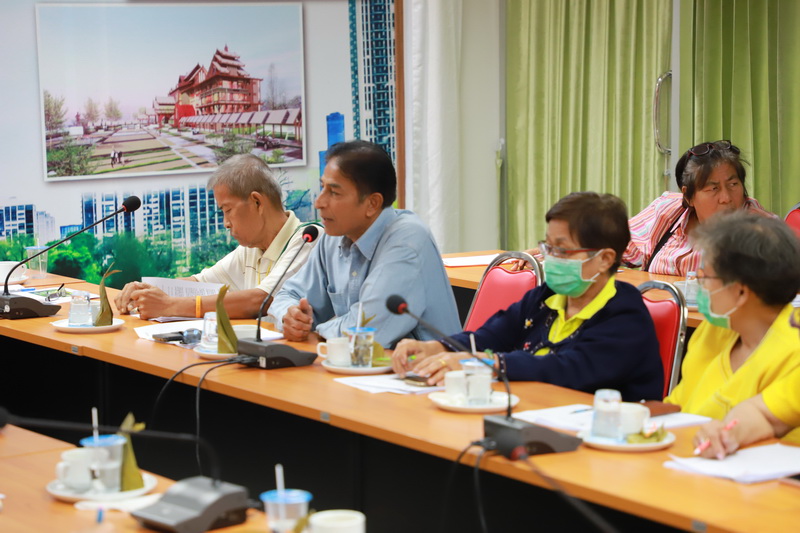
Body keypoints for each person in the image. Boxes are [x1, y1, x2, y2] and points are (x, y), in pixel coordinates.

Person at [391, 192, 664, 402]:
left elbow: (569, 368)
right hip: (535, 414)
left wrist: (485, 363)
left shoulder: (625, 314)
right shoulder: (546, 297)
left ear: (604, 259)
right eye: (548, 247)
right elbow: (490, 336)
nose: (550, 258)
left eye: (562, 250)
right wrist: (438, 348)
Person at [268, 140, 460, 348]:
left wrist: (316, 329)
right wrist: (291, 316)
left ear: (372, 204)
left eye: (334, 193)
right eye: (322, 188)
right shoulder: (333, 236)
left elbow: (366, 331)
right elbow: (288, 295)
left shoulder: (407, 241)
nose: (319, 202)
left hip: (423, 366)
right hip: (363, 363)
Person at [116, 154, 319, 319]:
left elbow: (262, 300)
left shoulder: (309, 240)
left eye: (227, 210)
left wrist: (169, 306)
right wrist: (144, 290)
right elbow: (199, 284)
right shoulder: (251, 249)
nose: (225, 223)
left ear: (257, 202)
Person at [659, 211, 800, 442]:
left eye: (705, 278)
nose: (700, 287)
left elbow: (761, 420)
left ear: (741, 291)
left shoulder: (793, 350)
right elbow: (678, 407)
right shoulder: (715, 329)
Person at [622, 140, 774, 276]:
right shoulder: (667, 209)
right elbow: (614, 248)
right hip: (655, 298)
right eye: (713, 188)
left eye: (733, 184)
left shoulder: (760, 228)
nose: (726, 198)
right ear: (688, 196)